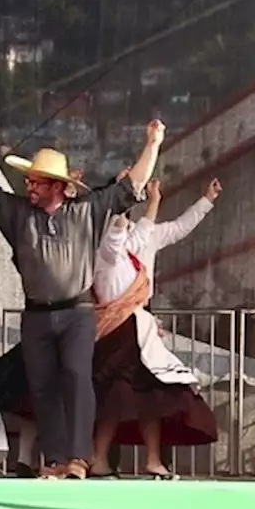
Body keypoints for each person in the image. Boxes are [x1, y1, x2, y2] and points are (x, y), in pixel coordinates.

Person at [0, 121, 161, 479]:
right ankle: (54, 459)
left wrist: (153, 143)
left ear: (58, 186)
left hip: (77, 312)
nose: (29, 186)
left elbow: (134, 186)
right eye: (30, 180)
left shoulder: (86, 210)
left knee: (76, 376)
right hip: (37, 314)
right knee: (41, 384)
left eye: (37, 182)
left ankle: (79, 458)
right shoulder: (19, 213)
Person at [87, 183, 217, 479]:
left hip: (139, 326)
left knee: (150, 396)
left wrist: (206, 200)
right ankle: (101, 458)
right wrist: (149, 203)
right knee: (114, 398)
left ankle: (149, 459)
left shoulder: (133, 242)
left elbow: (172, 229)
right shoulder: (107, 249)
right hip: (117, 330)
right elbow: (132, 235)